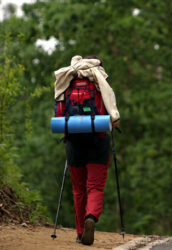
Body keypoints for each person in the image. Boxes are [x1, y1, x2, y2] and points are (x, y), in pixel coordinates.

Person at [54, 55, 120, 245]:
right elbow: (114, 119)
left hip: (74, 143)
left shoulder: (67, 80)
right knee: (95, 187)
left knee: (78, 189)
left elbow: (58, 114)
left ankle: (80, 231)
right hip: (97, 141)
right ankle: (91, 216)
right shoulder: (100, 83)